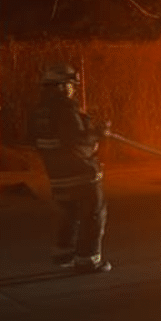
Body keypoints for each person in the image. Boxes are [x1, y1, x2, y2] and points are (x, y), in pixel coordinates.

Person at [30, 63, 112, 273]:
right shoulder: (65, 109)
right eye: (71, 85)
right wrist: (98, 134)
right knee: (93, 215)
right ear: (61, 86)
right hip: (80, 172)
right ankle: (88, 260)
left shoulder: (39, 111)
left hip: (57, 174)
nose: (73, 89)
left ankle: (63, 254)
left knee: (69, 214)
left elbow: (37, 140)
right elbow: (76, 140)